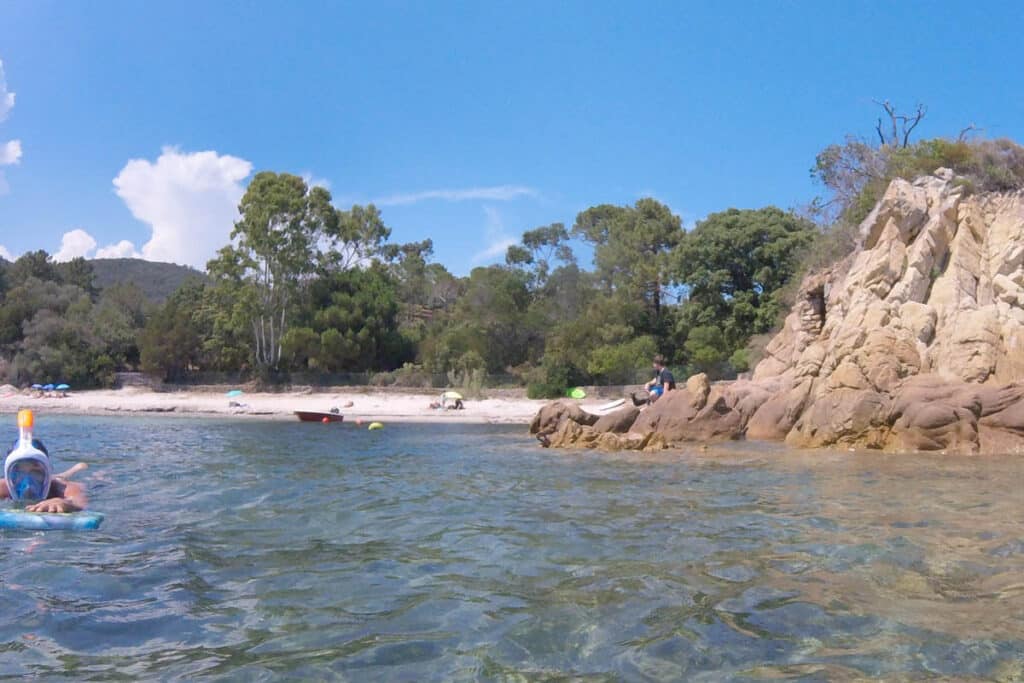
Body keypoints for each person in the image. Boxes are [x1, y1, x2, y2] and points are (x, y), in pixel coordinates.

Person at [2, 436, 88, 513]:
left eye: (36, 472)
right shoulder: (4, 487)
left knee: (61, 477)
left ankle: (77, 468)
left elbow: (78, 502)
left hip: (57, 480)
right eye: (19, 473)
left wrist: (64, 502)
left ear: (47, 472)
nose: (28, 483)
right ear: (8, 475)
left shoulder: (60, 487)